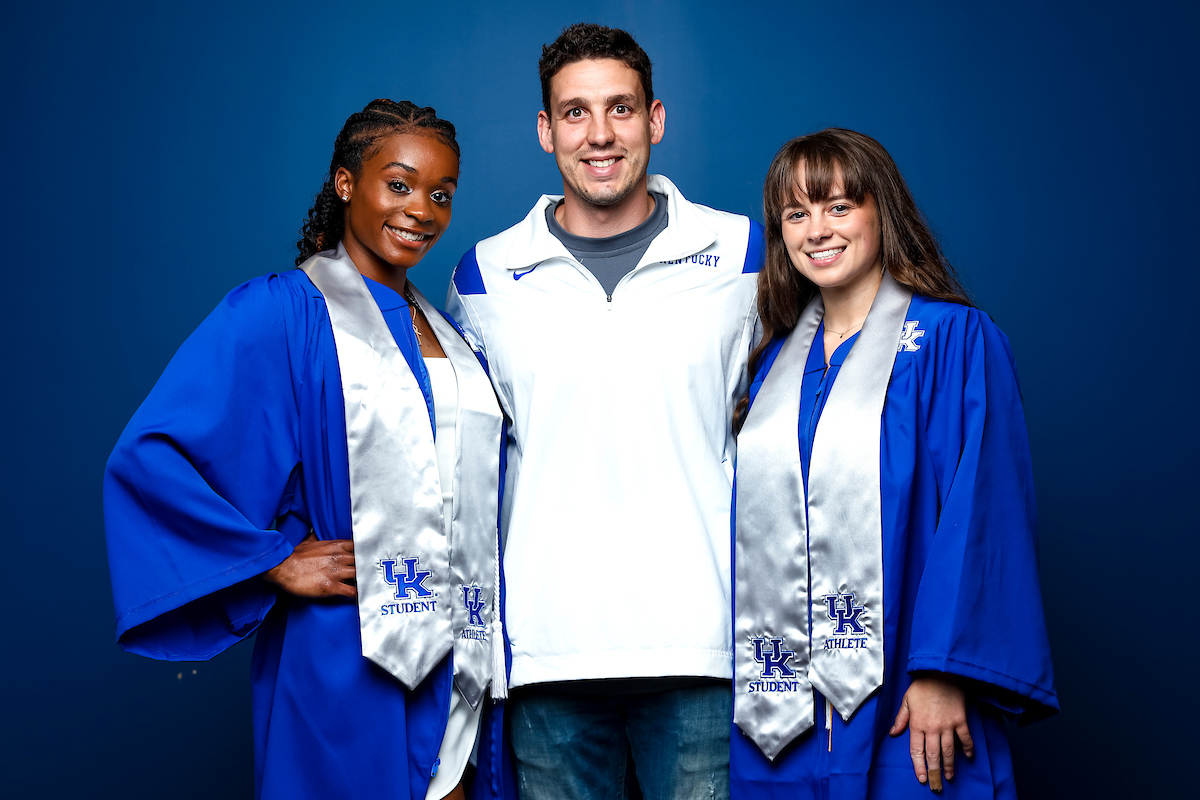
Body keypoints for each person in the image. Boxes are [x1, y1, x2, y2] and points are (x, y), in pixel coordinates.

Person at [104, 99, 515, 800]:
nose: (421, 210)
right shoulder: (282, 311)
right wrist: (272, 561)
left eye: (440, 194)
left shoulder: (447, 331)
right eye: (400, 183)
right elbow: (152, 456)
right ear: (347, 182)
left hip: (463, 653)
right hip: (346, 656)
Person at [446, 23, 761, 800]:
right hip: (546, 654)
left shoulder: (744, 254)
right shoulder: (484, 274)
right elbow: (460, 460)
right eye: (576, 113)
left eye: (619, 110)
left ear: (655, 120)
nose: (600, 135)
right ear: (546, 130)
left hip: (704, 647)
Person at [730, 128, 1058, 798]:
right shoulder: (771, 365)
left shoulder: (953, 342)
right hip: (779, 719)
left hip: (908, 703)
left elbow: (982, 511)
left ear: (884, 212)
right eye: (796, 214)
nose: (817, 230)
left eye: (839, 206)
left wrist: (944, 673)